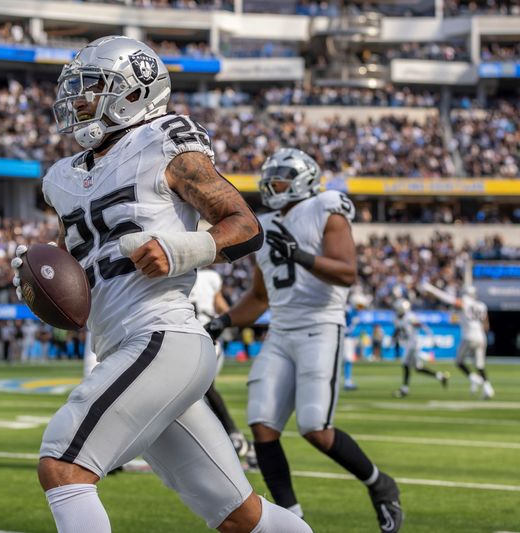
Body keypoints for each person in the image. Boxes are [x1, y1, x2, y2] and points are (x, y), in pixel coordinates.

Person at [12, 36, 308, 533]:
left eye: (93, 88)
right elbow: (76, 264)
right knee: (241, 517)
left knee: (62, 465)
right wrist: (36, 276)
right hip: (124, 346)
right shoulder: (61, 178)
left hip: (163, 336)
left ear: (132, 92)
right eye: (77, 89)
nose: (78, 101)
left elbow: (245, 225)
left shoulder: (165, 142)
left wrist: (180, 250)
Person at [206, 148, 403, 532]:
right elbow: (259, 297)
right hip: (280, 329)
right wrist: (222, 322)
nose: (271, 185)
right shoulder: (262, 224)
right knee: (262, 426)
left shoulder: (326, 206)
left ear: (303, 179)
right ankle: (291, 520)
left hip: (321, 325)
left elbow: (347, 273)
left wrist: (301, 256)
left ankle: (380, 485)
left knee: (316, 428)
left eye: (279, 178)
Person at [190, 267, 253, 461]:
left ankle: (233, 434)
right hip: (193, 337)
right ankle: (227, 438)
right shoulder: (210, 277)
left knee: (202, 389)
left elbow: (222, 308)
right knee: (194, 395)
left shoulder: (186, 274)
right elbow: (223, 307)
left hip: (203, 336)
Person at [421, 283, 494, 399]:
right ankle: (487, 388)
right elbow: (486, 326)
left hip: (469, 336)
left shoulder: (464, 303)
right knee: (480, 365)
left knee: (459, 361)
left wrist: (431, 289)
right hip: (481, 337)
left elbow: (448, 299)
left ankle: (474, 379)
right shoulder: (482, 305)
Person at [391, 298, 449, 398]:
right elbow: (398, 329)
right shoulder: (397, 318)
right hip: (408, 344)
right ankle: (441, 376)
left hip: (413, 344)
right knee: (418, 368)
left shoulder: (410, 317)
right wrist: (393, 338)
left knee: (405, 364)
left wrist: (432, 338)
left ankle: (404, 389)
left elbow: (422, 326)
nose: (396, 311)